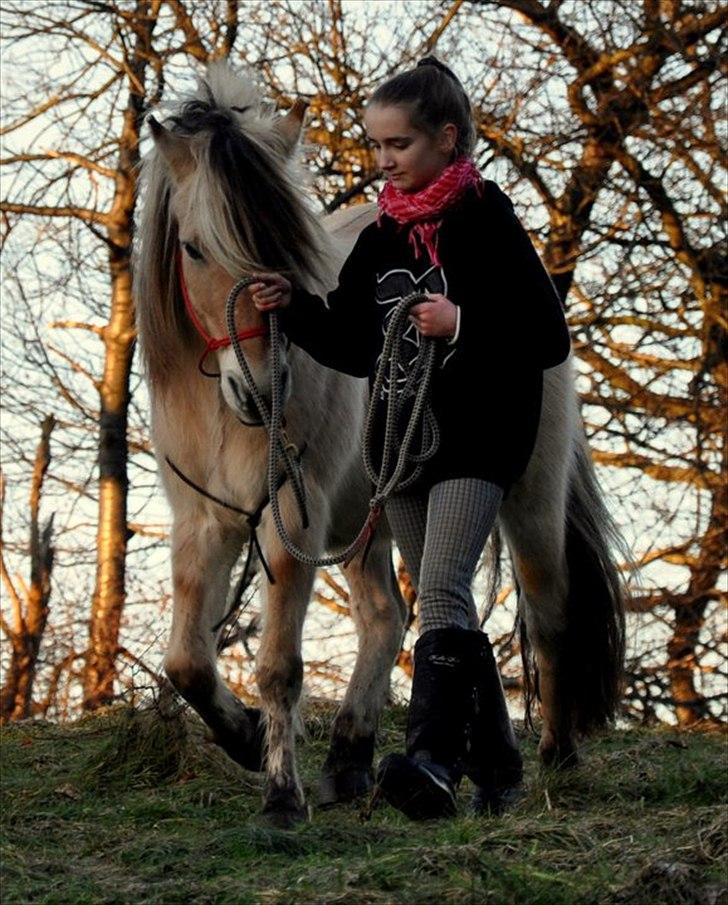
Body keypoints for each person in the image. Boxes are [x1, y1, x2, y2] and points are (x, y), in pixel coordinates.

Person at [248, 57, 571, 820]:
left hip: (479, 436)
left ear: (447, 140)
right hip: (404, 445)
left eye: (399, 145)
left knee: (442, 590)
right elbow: (354, 343)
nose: (384, 160)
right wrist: (290, 305)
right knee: (440, 603)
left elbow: (547, 334)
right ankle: (498, 763)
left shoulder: (487, 219)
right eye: (377, 146)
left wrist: (462, 323)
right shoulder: (385, 233)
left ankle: (431, 758)